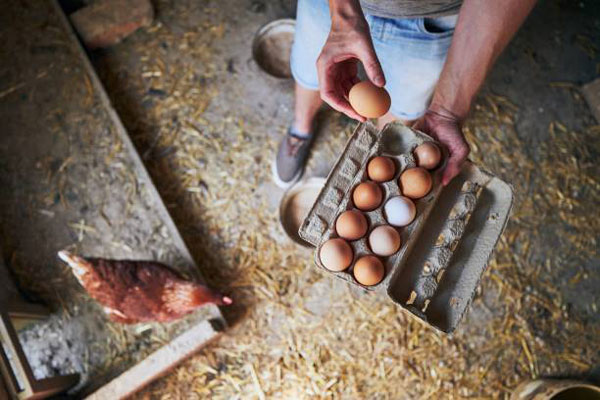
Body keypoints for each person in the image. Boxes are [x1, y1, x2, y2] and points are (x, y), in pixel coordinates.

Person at [273, 0, 537, 188]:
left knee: (399, 112)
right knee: (313, 73)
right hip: (329, 5)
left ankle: (378, 169)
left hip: (434, 19)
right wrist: (343, 12)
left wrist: (448, 111)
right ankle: (301, 129)